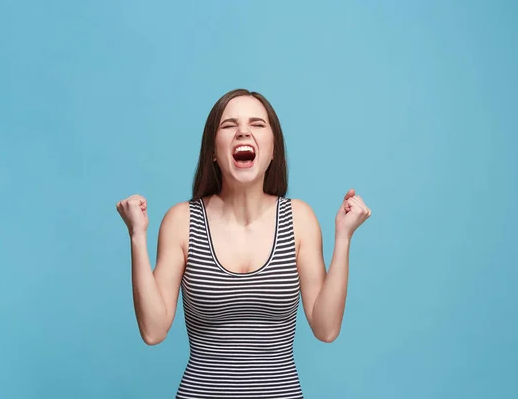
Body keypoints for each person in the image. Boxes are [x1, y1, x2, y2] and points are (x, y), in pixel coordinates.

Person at [116, 89, 372, 398]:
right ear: (212, 149)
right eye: (229, 125)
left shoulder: (299, 219)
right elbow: (153, 331)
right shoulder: (182, 221)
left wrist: (343, 237)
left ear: (273, 149)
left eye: (257, 124)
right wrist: (137, 235)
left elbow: (326, 328)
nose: (243, 132)